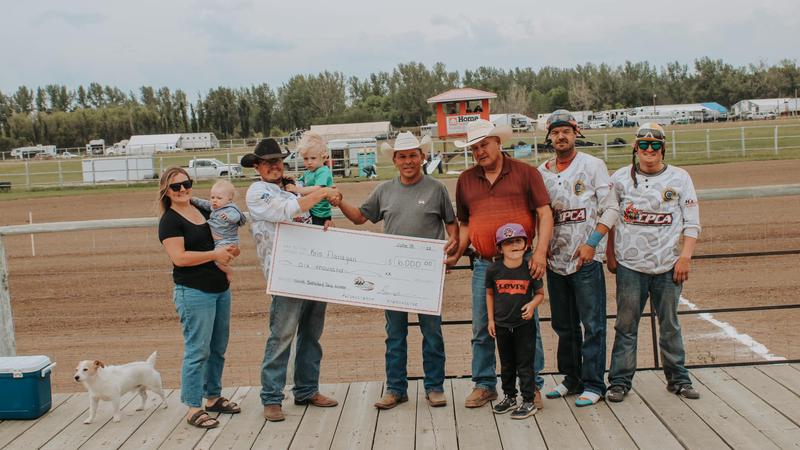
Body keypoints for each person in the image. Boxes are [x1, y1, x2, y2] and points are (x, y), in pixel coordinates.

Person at [332, 132, 458, 410]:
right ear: (395, 160)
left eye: (413, 155)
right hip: (393, 276)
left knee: (432, 333)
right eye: (403, 156)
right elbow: (360, 217)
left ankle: (435, 387)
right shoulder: (384, 190)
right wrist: (340, 202)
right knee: (395, 334)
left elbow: (452, 226)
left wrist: (451, 251)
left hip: (426, 276)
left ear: (422, 157)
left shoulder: (436, 189)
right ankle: (395, 388)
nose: (408, 161)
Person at [448, 119, 553, 409]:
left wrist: (540, 253)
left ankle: (532, 386)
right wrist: (457, 253)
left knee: (527, 325)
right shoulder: (466, 180)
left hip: (521, 261)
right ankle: (484, 384)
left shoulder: (526, 173)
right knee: (482, 325)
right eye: (474, 148)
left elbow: (544, 214)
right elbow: (466, 224)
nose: (479, 151)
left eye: (484, 145)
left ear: (498, 142)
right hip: (485, 262)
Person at [241, 138, 342, 422]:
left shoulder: (289, 187)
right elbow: (290, 210)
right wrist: (323, 192)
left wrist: (323, 223)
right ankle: (272, 397)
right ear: (257, 167)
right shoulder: (257, 193)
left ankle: (306, 389)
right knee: (282, 336)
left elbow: (304, 216)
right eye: (267, 162)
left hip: (310, 271)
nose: (274, 166)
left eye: (277, 161)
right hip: (284, 275)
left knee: (311, 334)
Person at [605, 123, 701, 402]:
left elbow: (692, 222)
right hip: (630, 265)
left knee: (669, 324)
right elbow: (610, 216)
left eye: (655, 145)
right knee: (625, 325)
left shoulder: (680, 178)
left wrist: (685, 256)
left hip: (668, 265)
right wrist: (610, 254)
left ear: (663, 148)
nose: (649, 150)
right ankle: (619, 381)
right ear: (635, 148)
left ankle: (678, 379)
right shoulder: (620, 178)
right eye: (644, 145)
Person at [537, 110, 619, 407]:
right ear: (549, 137)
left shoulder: (592, 165)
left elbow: (611, 208)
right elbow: (540, 213)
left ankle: (595, 383)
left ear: (576, 134)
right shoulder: (541, 172)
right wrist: (541, 245)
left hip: (585, 258)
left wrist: (592, 243)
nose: (561, 136)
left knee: (592, 323)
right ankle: (572, 378)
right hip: (556, 260)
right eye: (556, 132)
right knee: (564, 324)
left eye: (566, 131)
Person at [157, 167, 241, 430]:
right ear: (166, 191)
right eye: (175, 186)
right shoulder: (170, 221)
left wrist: (230, 252)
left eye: (186, 183)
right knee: (197, 351)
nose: (182, 189)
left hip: (219, 288)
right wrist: (215, 256)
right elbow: (180, 258)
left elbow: (221, 238)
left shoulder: (204, 210)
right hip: (193, 291)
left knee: (217, 347)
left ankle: (213, 397)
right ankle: (193, 407)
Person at [487, 223, 545, 420]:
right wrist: (491, 320)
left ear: (526, 245)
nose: (513, 246)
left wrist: (532, 305)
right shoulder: (493, 270)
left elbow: (540, 294)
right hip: (502, 324)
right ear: (499, 248)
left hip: (523, 324)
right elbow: (489, 294)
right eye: (508, 242)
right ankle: (510, 396)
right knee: (506, 364)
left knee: (525, 363)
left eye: (518, 241)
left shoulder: (530, 268)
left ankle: (528, 400)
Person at [190, 179, 247, 283]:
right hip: (220, 240)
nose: (215, 200)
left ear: (229, 199)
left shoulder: (230, 209)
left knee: (218, 260)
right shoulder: (215, 207)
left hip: (227, 241)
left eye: (219, 198)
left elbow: (236, 217)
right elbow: (204, 204)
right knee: (217, 258)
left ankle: (229, 271)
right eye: (213, 197)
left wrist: (228, 217)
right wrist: (193, 200)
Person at [285, 132, 335, 227]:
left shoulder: (323, 171)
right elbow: (300, 182)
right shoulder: (308, 172)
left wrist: (297, 189)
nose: (309, 162)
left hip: (320, 214)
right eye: (306, 159)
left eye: (313, 158)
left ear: (323, 157)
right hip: (310, 209)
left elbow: (318, 189)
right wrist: (292, 179)